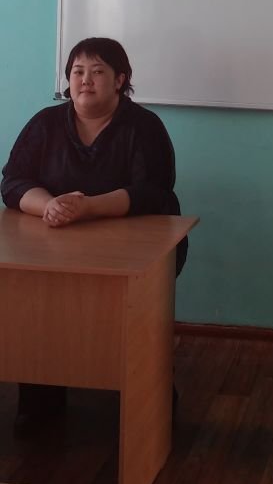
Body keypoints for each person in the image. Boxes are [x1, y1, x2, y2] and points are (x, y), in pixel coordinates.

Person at [1, 36, 187, 436]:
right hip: (54, 242)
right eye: (78, 71)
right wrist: (50, 205)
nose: (85, 80)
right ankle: (40, 396)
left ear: (120, 80)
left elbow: (154, 191)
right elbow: (13, 181)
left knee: (126, 319)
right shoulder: (45, 123)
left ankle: (146, 394)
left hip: (133, 247)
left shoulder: (144, 126)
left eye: (97, 71)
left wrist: (88, 207)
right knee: (38, 306)